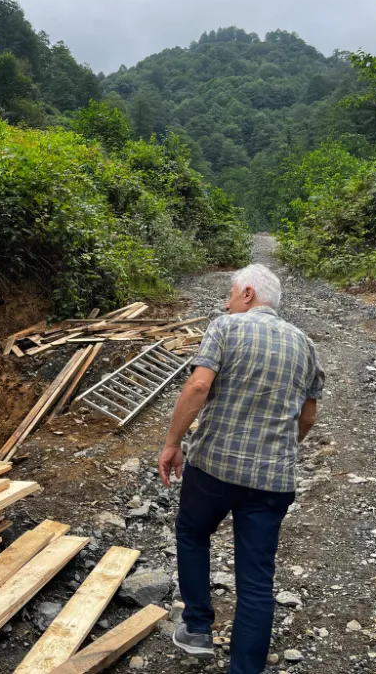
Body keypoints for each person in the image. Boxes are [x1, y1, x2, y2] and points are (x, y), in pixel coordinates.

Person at [158, 264, 324, 673]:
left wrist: (172, 443)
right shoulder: (305, 344)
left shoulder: (225, 328)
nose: (227, 301)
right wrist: (281, 449)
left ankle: (197, 627)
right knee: (256, 581)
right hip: (272, 479)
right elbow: (308, 417)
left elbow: (198, 386)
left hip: (214, 466)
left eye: (231, 293)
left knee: (193, 533)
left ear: (248, 294)